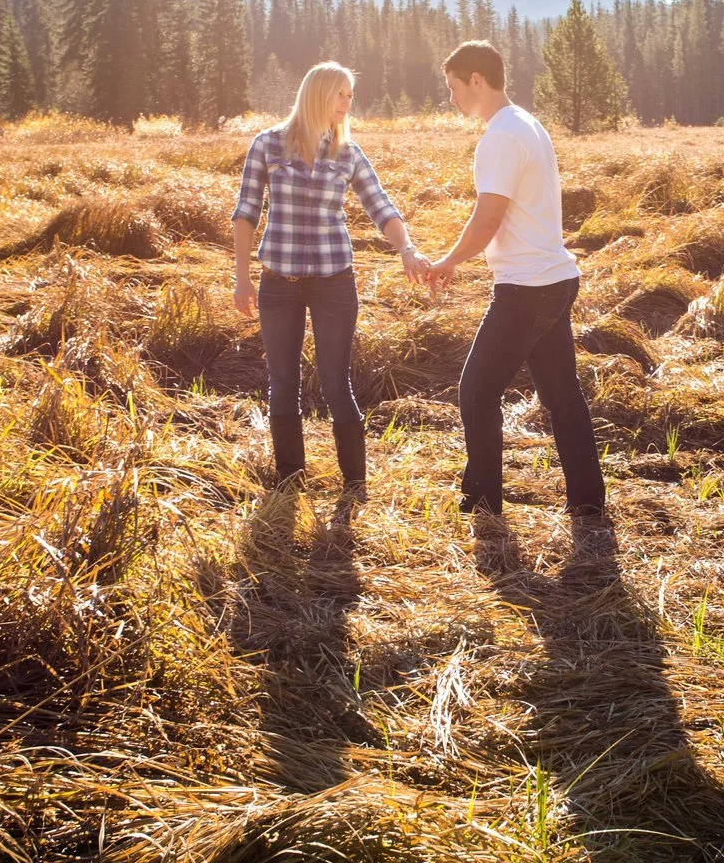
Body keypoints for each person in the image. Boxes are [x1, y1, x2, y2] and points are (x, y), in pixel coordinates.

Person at [418, 41, 606, 522]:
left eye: (454, 88)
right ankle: (587, 502)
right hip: (555, 279)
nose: (453, 100)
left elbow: (487, 221)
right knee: (562, 394)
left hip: (527, 288)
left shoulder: (500, 136)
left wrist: (447, 262)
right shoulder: (527, 124)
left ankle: (482, 503)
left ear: (477, 80)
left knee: (477, 391)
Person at [232, 62, 429, 492]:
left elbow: (382, 208)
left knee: (335, 381)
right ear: (318, 94)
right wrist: (241, 277)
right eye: (341, 94)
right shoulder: (266, 145)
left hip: (334, 283)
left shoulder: (348, 154)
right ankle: (290, 481)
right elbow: (245, 214)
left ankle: (354, 485)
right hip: (277, 284)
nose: (347, 103)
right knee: (282, 382)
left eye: (349, 95)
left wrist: (407, 248)